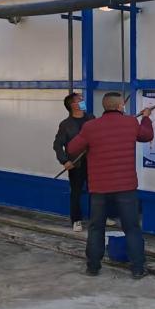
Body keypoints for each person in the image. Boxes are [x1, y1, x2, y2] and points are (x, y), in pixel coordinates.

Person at [66, 92, 154, 278]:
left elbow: (72, 148)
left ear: (105, 106)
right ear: (121, 106)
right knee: (131, 228)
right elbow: (147, 135)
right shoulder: (131, 122)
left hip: (99, 188)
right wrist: (146, 118)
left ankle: (93, 267)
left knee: (96, 228)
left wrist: (89, 143)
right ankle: (138, 269)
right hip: (126, 187)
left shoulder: (90, 126)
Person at [53, 92, 94, 232]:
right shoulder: (66, 125)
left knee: (97, 191)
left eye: (82, 99)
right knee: (76, 192)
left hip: (93, 162)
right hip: (76, 164)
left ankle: (99, 216)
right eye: (79, 100)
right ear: (73, 105)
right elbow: (57, 145)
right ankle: (76, 220)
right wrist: (64, 161)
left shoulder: (91, 118)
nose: (83, 101)